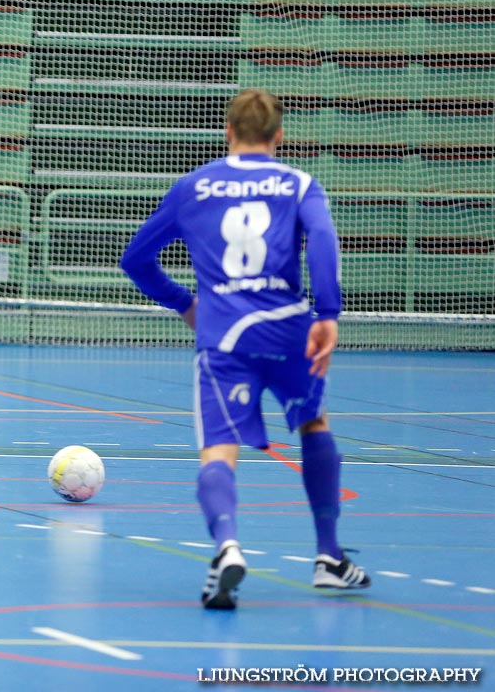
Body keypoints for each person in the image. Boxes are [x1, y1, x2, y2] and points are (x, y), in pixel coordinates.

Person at [119, 87, 370, 611]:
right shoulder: (301, 184)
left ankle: (228, 546)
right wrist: (328, 314)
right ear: (279, 138)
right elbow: (323, 241)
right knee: (314, 425)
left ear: (228, 133)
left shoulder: (194, 187)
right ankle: (329, 557)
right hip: (290, 327)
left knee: (219, 447)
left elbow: (136, 259)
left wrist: (186, 304)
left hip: (225, 336)